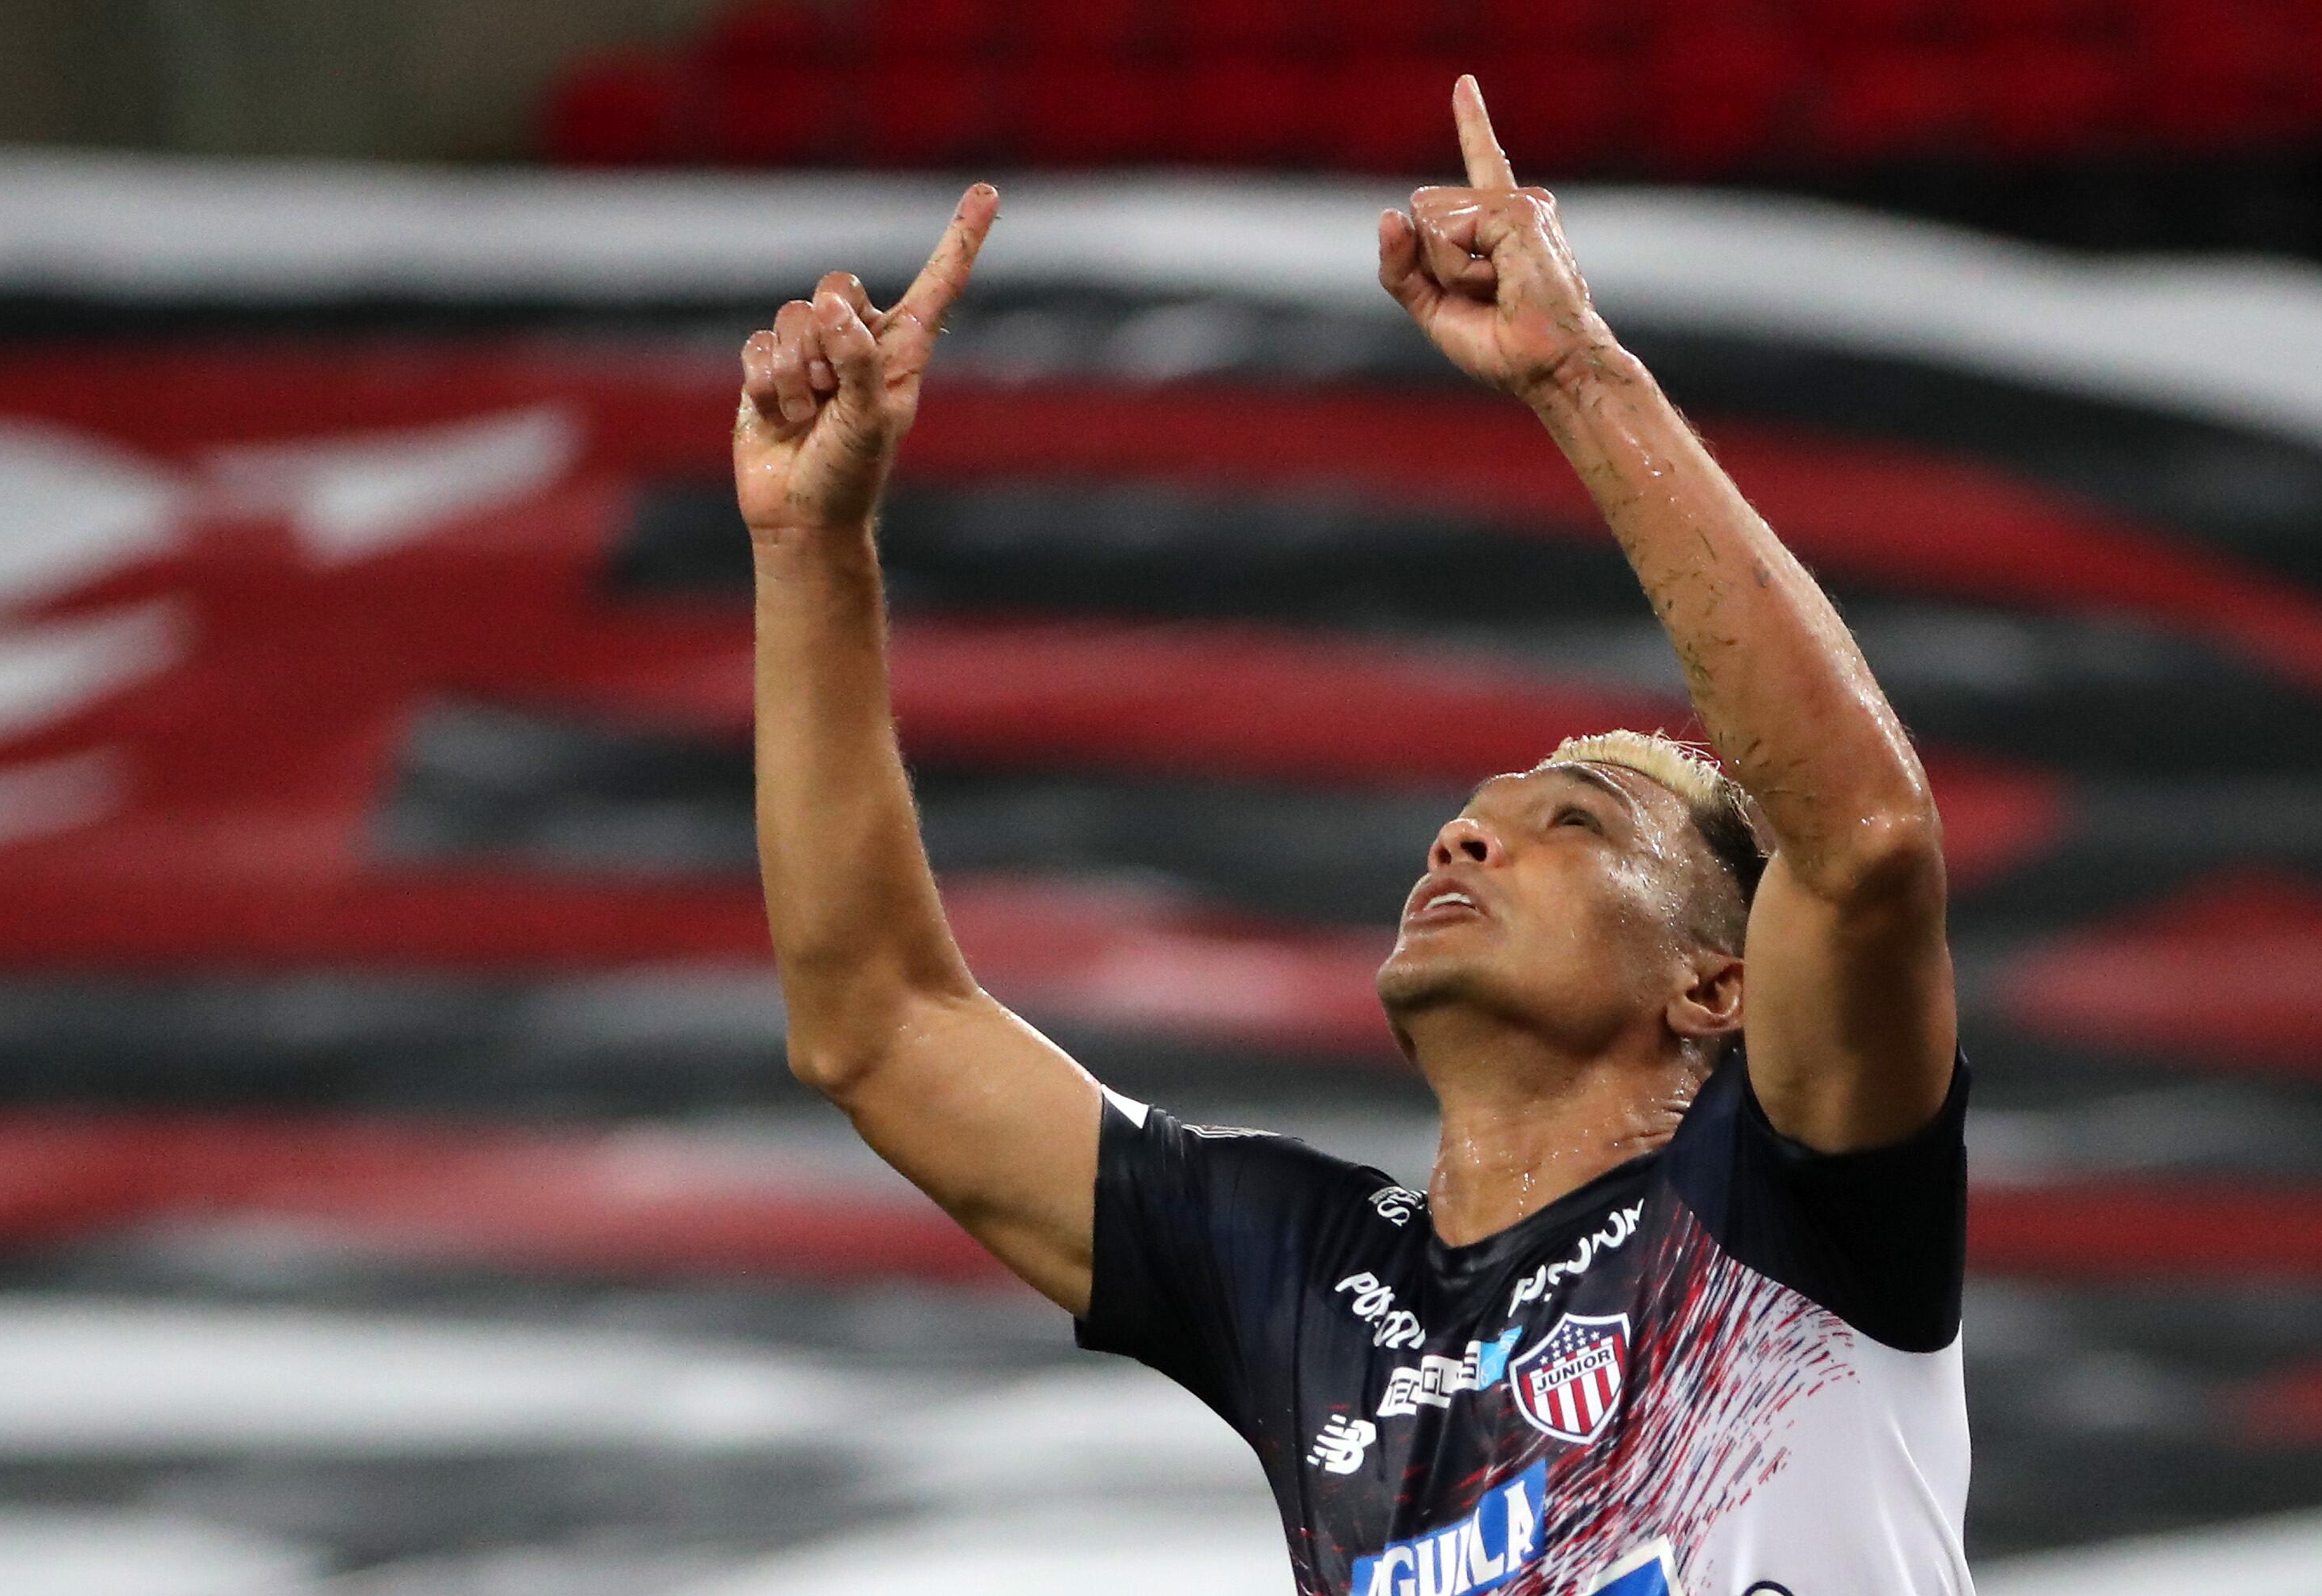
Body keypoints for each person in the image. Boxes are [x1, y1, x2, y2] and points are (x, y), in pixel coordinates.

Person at [734, 77, 1969, 1596]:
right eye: (1462, 824)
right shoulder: (1311, 1280)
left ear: (1719, 986)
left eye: (1571, 822)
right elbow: (882, 1024)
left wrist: (1578, 373)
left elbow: (1861, 840)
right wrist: (808, 546)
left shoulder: (1792, 1192)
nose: (1462, 842)